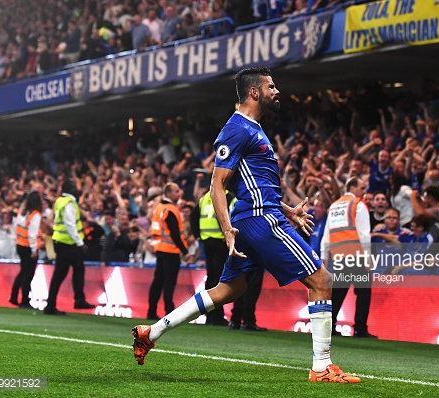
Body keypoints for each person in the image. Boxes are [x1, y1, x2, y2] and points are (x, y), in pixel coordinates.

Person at [132, 66, 360, 383]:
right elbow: (217, 183)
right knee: (321, 280)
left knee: (228, 289)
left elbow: (249, 184)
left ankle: (151, 332)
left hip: (258, 215)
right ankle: (321, 366)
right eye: (271, 85)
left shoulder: (253, 128)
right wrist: (227, 229)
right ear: (255, 92)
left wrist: (288, 210)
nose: (277, 91)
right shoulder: (237, 129)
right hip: (260, 220)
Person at [321, 177, 375, 338]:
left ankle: (329, 327)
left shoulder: (335, 205)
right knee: (363, 292)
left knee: (337, 292)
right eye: (362, 188)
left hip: (339, 254)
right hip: (356, 254)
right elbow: (364, 233)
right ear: (352, 187)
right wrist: (368, 256)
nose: (364, 192)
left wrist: (324, 256)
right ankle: (360, 328)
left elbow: (327, 233)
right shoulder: (358, 204)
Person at [44, 180, 95, 315]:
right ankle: (75, 300)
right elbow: (70, 224)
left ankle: (55, 303)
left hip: (61, 241)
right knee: (71, 270)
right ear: (71, 189)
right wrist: (80, 243)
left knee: (66, 271)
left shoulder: (60, 201)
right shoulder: (69, 204)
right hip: (68, 243)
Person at [146, 182, 189, 320]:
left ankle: (151, 311)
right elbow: (175, 233)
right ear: (169, 193)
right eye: (176, 191)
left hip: (159, 248)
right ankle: (169, 311)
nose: (179, 193)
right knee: (169, 282)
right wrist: (185, 250)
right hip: (171, 250)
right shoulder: (170, 209)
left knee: (158, 281)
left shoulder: (158, 208)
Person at [190, 190, 231, 326]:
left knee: (211, 278)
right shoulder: (226, 195)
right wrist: (226, 235)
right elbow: (228, 216)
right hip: (220, 241)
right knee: (219, 280)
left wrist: (198, 235)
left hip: (207, 241)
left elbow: (193, 216)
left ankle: (210, 315)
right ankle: (217, 316)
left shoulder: (205, 197)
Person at [10, 191, 42, 309]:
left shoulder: (22, 211)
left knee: (23, 272)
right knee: (28, 274)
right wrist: (34, 250)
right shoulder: (35, 215)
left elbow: (17, 227)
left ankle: (14, 296)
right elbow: (32, 234)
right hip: (28, 247)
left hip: (20, 244)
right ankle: (24, 300)